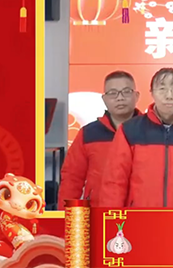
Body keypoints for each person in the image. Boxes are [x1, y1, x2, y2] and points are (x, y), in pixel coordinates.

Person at [100, 68, 173, 207]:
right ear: (152, 92)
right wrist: (112, 217)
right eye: (162, 89)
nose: (169, 95)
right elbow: (115, 182)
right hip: (140, 216)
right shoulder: (130, 130)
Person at [58, 71, 141, 209]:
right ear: (104, 99)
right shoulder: (88, 134)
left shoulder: (150, 132)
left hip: (140, 213)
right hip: (98, 211)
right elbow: (72, 179)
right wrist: (66, 215)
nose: (120, 98)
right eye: (113, 93)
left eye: (126, 92)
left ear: (136, 96)